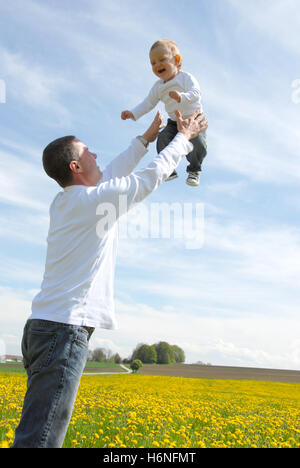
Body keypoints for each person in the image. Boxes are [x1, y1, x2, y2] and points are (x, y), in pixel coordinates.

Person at [12, 109, 208, 448]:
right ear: (75, 166)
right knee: (40, 440)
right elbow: (146, 180)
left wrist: (145, 139)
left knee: (35, 430)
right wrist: (183, 139)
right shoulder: (92, 202)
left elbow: (112, 174)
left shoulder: (68, 201)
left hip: (44, 327)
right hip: (63, 331)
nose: (96, 155)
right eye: (88, 153)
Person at [121, 39, 207, 187]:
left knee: (197, 144)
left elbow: (197, 93)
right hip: (174, 122)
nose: (157, 65)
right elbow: (148, 103)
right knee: (162, 138)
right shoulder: (158, 87)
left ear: (177, 60)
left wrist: (182, 97)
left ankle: (194, 169)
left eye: (162, 60)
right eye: (153, 63)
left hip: (194, 119)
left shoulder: (185, 78)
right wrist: (133, 113)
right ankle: (169, 170)